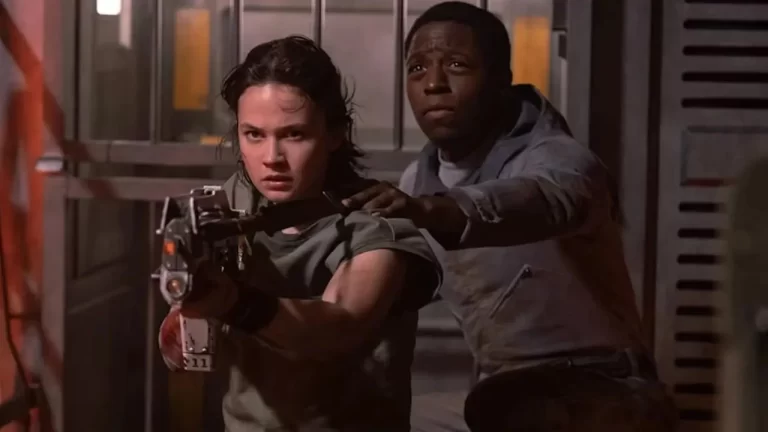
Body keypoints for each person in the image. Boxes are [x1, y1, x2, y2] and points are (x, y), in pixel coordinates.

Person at [342, 2, 678, 431]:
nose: (434, 84)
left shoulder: (559, 158)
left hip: (603, 390)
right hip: (503, 397)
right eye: (417, 68)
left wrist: (433, 210)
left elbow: (545, 198)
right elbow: (397, 284)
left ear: (501, 80)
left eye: (457, 65)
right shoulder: (417, 181)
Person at [158, 36, 442, 431]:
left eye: (294, 135)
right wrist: (185, 316)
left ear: (335, 134)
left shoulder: (375, 221)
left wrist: (235, 303)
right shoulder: (234, 201)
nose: (271, 158)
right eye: (254, 135)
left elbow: (338, 326)